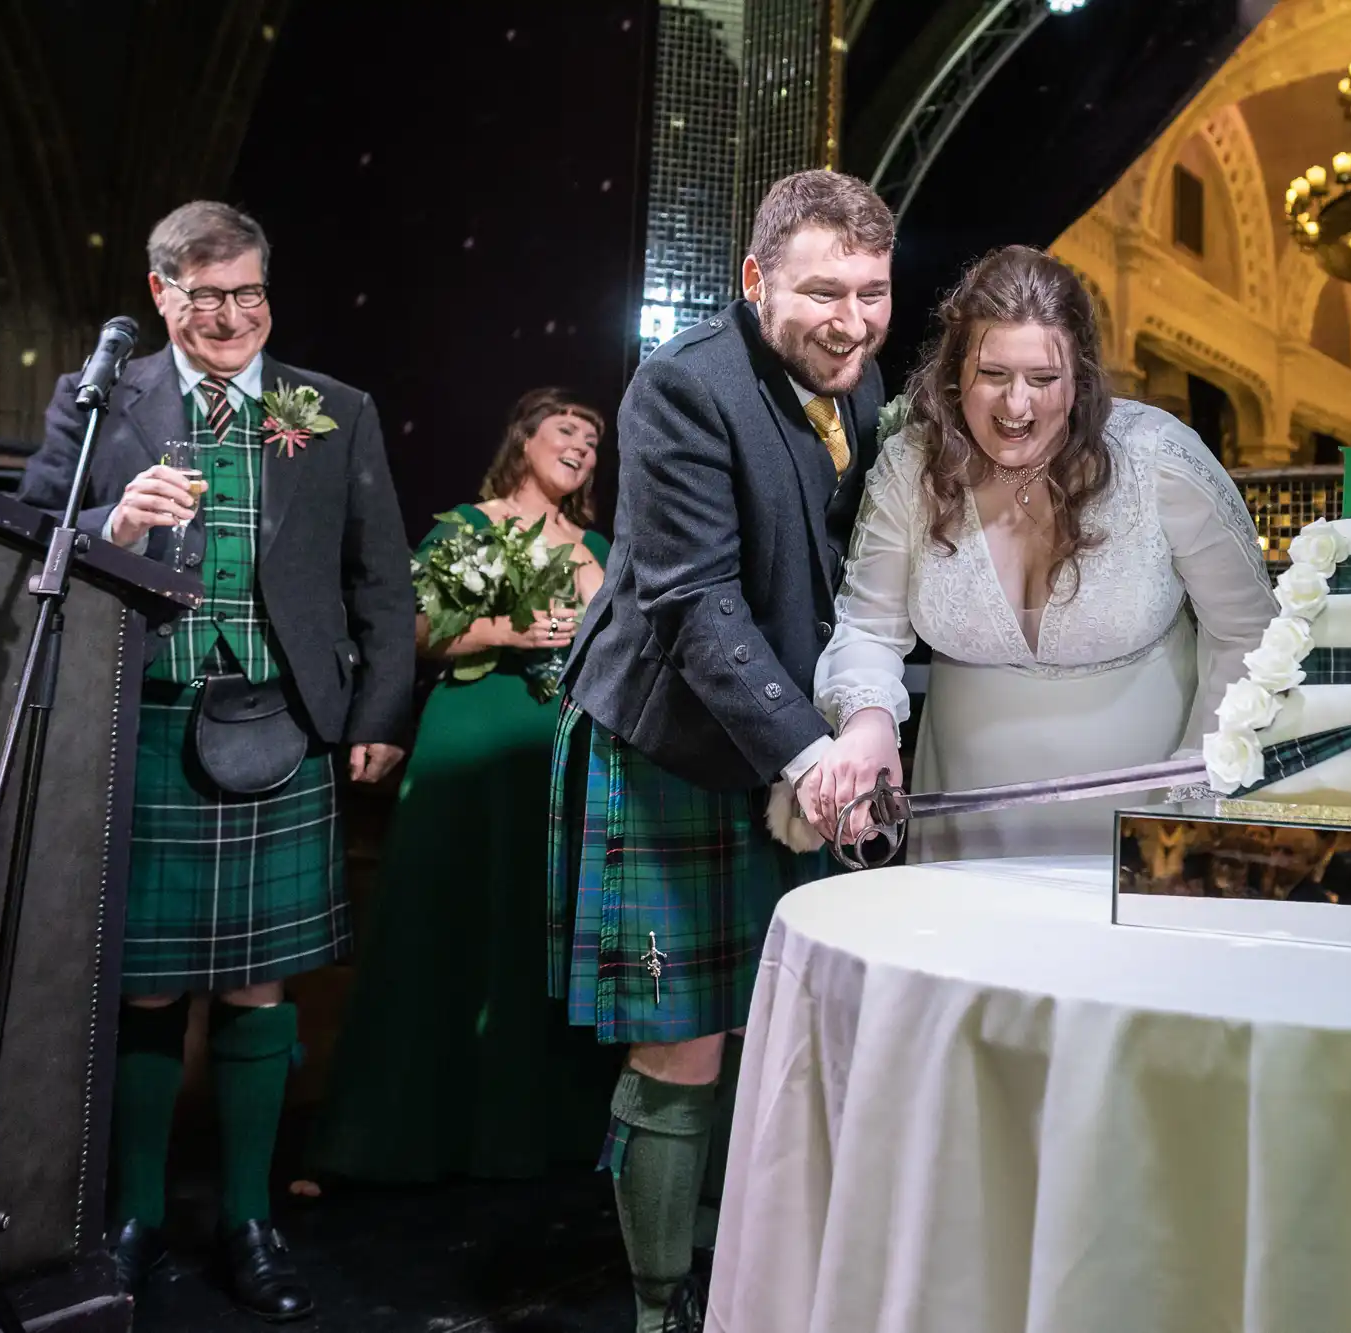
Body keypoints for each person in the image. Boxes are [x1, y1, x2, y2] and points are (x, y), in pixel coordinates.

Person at [15, 200, 413, 1321]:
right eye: (205, 295)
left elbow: (380, 573)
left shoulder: (329, 410)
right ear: (160, 295)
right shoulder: (102, 401)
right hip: (139, 713)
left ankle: (249, 1217)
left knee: (256, 982)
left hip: (279, 720)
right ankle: (134, 1216)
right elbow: (29, 536)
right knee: (143, 985)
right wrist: (112, 523)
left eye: (249, 292)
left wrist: (381, 705)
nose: (231, 314)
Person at [549, 170, 893, 1333]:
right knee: (681, 1041)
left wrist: (859, 720)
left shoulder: (864, 381)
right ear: (753, 281)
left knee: (776, 1028)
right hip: (674, 747)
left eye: (870, 292)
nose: (848, 321)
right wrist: (806, 757)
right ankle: (657, 1311)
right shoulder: (679, 388)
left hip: (790, 739)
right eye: (819, 292)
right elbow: (694, 602)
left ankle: (736, 1272)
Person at [796, 244, 1277, 860]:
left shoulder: (1160, 460)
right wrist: (868, 719)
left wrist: (1198, 773)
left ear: (1079, 380)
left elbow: (1248, 633)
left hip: (1149, 816)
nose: (1016, 406)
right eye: (993, 375)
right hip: (966, 814)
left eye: (1044, 380)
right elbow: (868, 624)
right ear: (955, 372)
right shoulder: (911, 468)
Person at [305, 389, 615, 1189]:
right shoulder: (469, 528)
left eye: (592, 439)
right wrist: (504, 631)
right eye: (566, 430)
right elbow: (414, 628)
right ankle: (393, 1135)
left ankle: (540, 1135)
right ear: (525, 438)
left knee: (540, 941)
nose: (581, 446)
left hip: (563, 759)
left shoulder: (603, 546)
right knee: (437, 925)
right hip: (469, 740)